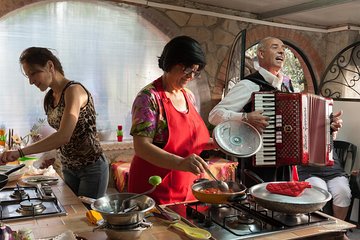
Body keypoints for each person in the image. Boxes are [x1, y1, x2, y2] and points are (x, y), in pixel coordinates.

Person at [0, 47, 108, 199]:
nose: (31, 81)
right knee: (73, 216)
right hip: (68, 167)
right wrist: (51, 155)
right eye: (28, 76)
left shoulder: (74, 91)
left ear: (50, 66)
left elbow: (63, 136)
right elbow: (62, 135)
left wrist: (20, 152)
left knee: (88, 218)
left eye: (33, 73)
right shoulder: (50, 98)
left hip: (91, 168)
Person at [128, 36, 215, 204]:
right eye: (187, 70)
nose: (191, 76)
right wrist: (182, 163)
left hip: (185, 185)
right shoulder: (149, 98)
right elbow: (141, 147)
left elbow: (190, 140)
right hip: (152, 186)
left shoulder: (188, 96)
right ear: (170, 62)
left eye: (196, 72)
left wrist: (214, 143)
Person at [208, 37, 295, 187]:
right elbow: (214, 115)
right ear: (261, 54)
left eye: (283, 48)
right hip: (258, 165)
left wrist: (327, 126)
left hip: (285, 166)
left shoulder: (286, 87)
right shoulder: (249, 85)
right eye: (275, 47)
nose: (281, 51)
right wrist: (245, 117)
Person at [298, 111, 351, 221]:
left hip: (333, 169)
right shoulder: (296, 120)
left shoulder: (327, 115)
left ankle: (338, 231)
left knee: (343, 192)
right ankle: (321, 231)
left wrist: (334, 128)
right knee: (319, 192)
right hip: (309, 170)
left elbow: (333, 136)